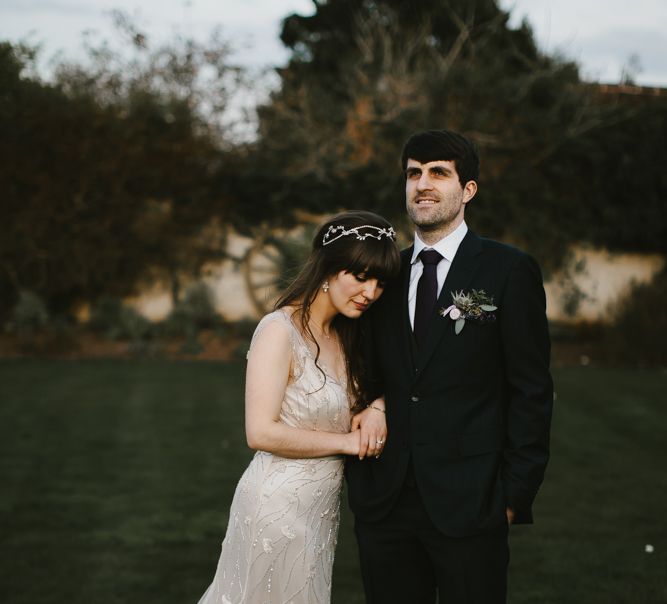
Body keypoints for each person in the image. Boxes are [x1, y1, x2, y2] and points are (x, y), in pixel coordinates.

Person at [345, 130, 554, 604]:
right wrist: (373, 399)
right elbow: (362, 365)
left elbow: (532, 389)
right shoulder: (386, 277)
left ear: (468, 190)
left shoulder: (507, 270)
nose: (423, 184)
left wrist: (513, 495)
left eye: (439, 173)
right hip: (386, 503)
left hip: (474, 501)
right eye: (414, 173)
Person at [197, 210, 400, 604]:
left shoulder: (347, 334)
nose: (371, 292)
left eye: (379, 282)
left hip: (320, 513)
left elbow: (384, 384)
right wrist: (349, 443)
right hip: (274, 508)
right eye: (360, 277)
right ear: (328, 269)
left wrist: (378, 403)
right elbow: (260, 432)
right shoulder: (279, 331)